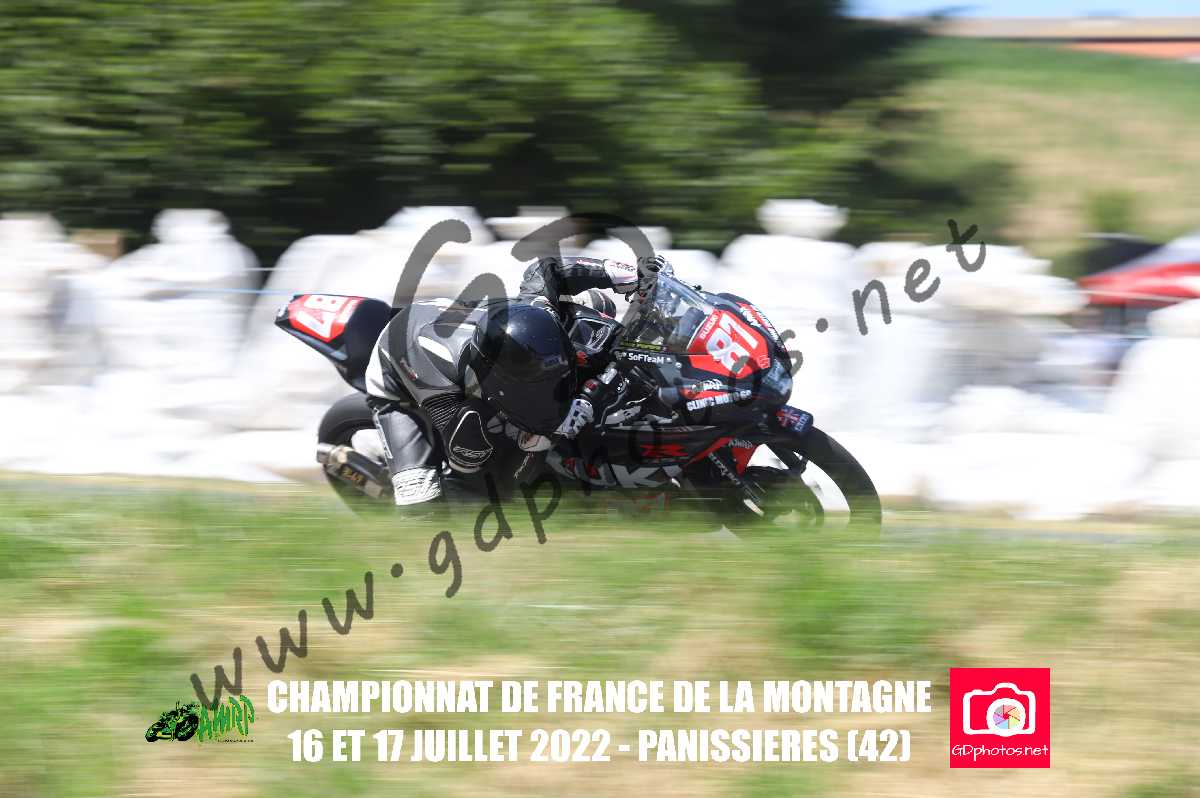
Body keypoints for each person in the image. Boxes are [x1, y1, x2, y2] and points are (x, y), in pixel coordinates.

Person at [362, 254, 662, 506]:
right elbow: (469, 464)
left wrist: (629, 275)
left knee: (596, 306)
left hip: (450, 322)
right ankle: (379, 465)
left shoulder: (537, 313)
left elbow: (546, 268)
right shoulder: (446, 397)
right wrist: (553, 431)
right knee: (461, 498)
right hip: (400, 379)